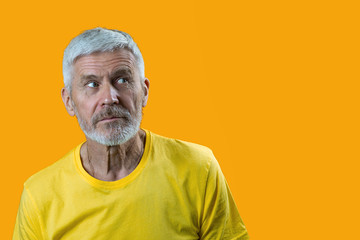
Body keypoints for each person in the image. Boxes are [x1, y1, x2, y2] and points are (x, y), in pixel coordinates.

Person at [13, 27, 249, 240]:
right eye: (92, 84)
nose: (109, 98)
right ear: (69, 101)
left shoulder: (199, 168)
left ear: (144, 91)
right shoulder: (39, 196)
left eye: (122, 79)